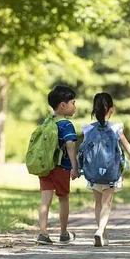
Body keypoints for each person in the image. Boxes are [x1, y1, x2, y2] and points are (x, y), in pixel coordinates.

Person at [80, 93, 130, 247]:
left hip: (92, 173)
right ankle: (100, 231)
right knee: (107, 203)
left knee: (98, 203)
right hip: (111, 172)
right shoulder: (116, 127)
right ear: (111, 109)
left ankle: (102, 233)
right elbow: (127, 147)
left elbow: (83, 150)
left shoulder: (87, 129)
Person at [35, 85, 80, 245]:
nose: (75, 106)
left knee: (45, 200)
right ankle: (63, 233)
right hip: (61, 168)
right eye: (73, 103)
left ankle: (43, 233)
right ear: (63, 105)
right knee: (63, 199)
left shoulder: (46, 122)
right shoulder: (66, 125)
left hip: (46, 166)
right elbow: (70, 145)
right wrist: (75, 167)